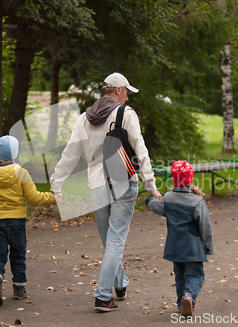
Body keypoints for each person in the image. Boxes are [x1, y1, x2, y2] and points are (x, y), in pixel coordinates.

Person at [50, 72, 162, 312]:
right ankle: (102, 296)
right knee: (116, 239)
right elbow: (140, 151)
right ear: (119, 90)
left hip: (98, 185)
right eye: (128, 93)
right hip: (123, 181)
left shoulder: (83, 119)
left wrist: (56, 182)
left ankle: (119, 284)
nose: (128, 99)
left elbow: (70, 155)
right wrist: (150, 185)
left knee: (109, 240)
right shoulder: (126, 114)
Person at [0, 135, 55, 306]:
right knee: (18, 255)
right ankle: (19, 289)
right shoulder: (21, 172)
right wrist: (51, 198)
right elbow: (34, 198)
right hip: (17, 221)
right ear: (15, 153)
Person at [145, 160, 213, 317]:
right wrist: (208, 246)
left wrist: (150, 199)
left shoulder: (168, 198)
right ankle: (189, 296)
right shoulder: (197, 201)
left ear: (173, 179)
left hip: (175, 247)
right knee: (196, 275)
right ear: (191, 179)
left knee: (180, 276)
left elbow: (157, 206)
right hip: (193, 248)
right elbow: (205, 227)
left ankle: (181, 306)